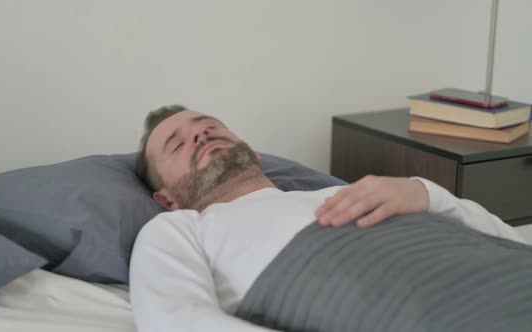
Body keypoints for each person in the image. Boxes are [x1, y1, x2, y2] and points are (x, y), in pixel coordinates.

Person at [129, 105, 526, 332]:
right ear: (165, 198)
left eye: (209, 126)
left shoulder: (344, 191)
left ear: (252, 150)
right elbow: (179, 322)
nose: (200, 135)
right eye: (177, 144)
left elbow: (508, 240)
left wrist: (425, 193)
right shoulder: (180, 229)